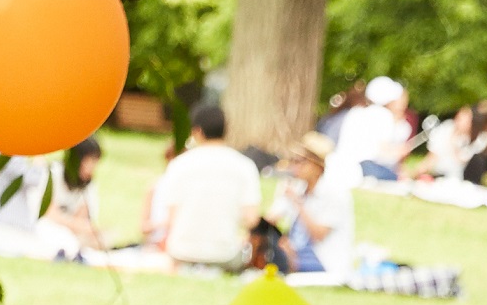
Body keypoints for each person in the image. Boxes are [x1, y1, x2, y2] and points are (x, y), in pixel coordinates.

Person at [143, 101, 263, 272]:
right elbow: (251, 219)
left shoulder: (178, 164)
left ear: (197, 131)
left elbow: (170, 218)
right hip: (225, 255)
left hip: (182, 253)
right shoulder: (245, 165)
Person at [271, 135, 356, 277]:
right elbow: (271, 218)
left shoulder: (335, 193)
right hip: (296, 253)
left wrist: (297, 203)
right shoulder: (297, 187)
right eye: (293, 161)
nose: (294, 167)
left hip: (322, 260)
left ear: (317, 165)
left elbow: (318, 235)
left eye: (300, 161)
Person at [341, 76, 414, 181]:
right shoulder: (383, 115)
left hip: (347, 165)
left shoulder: (355, 111)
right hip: (366, 167)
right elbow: (382, 151)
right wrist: (401, 151)